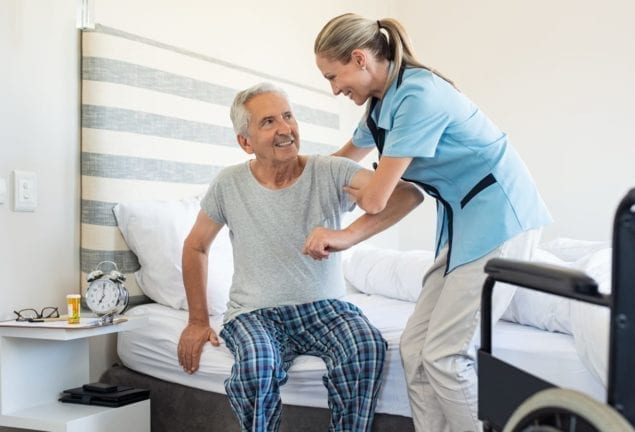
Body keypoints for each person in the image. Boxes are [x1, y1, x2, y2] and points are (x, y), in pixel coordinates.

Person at [314, 13, 553, 432]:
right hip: (464, 224)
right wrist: (288, 175)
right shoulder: (380, 105)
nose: (334, 89)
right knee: (413, 348)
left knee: (445, 355)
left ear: (359, 59)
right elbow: (341, 161)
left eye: (334, 77)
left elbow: (376, 198)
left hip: (501, 217)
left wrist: (344, 228)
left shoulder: (418, 96)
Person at [177, 82, 424, 432]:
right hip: (254, 314)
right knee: (257, 366)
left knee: (366, 347)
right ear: (245, 142)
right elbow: (196, 246)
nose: (285, 129)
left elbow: (407, 196)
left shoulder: (330, 170)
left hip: (324, 308)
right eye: (268, 122)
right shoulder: (228, 184)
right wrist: (198, 320)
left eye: (288, 116)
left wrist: (346, 236)